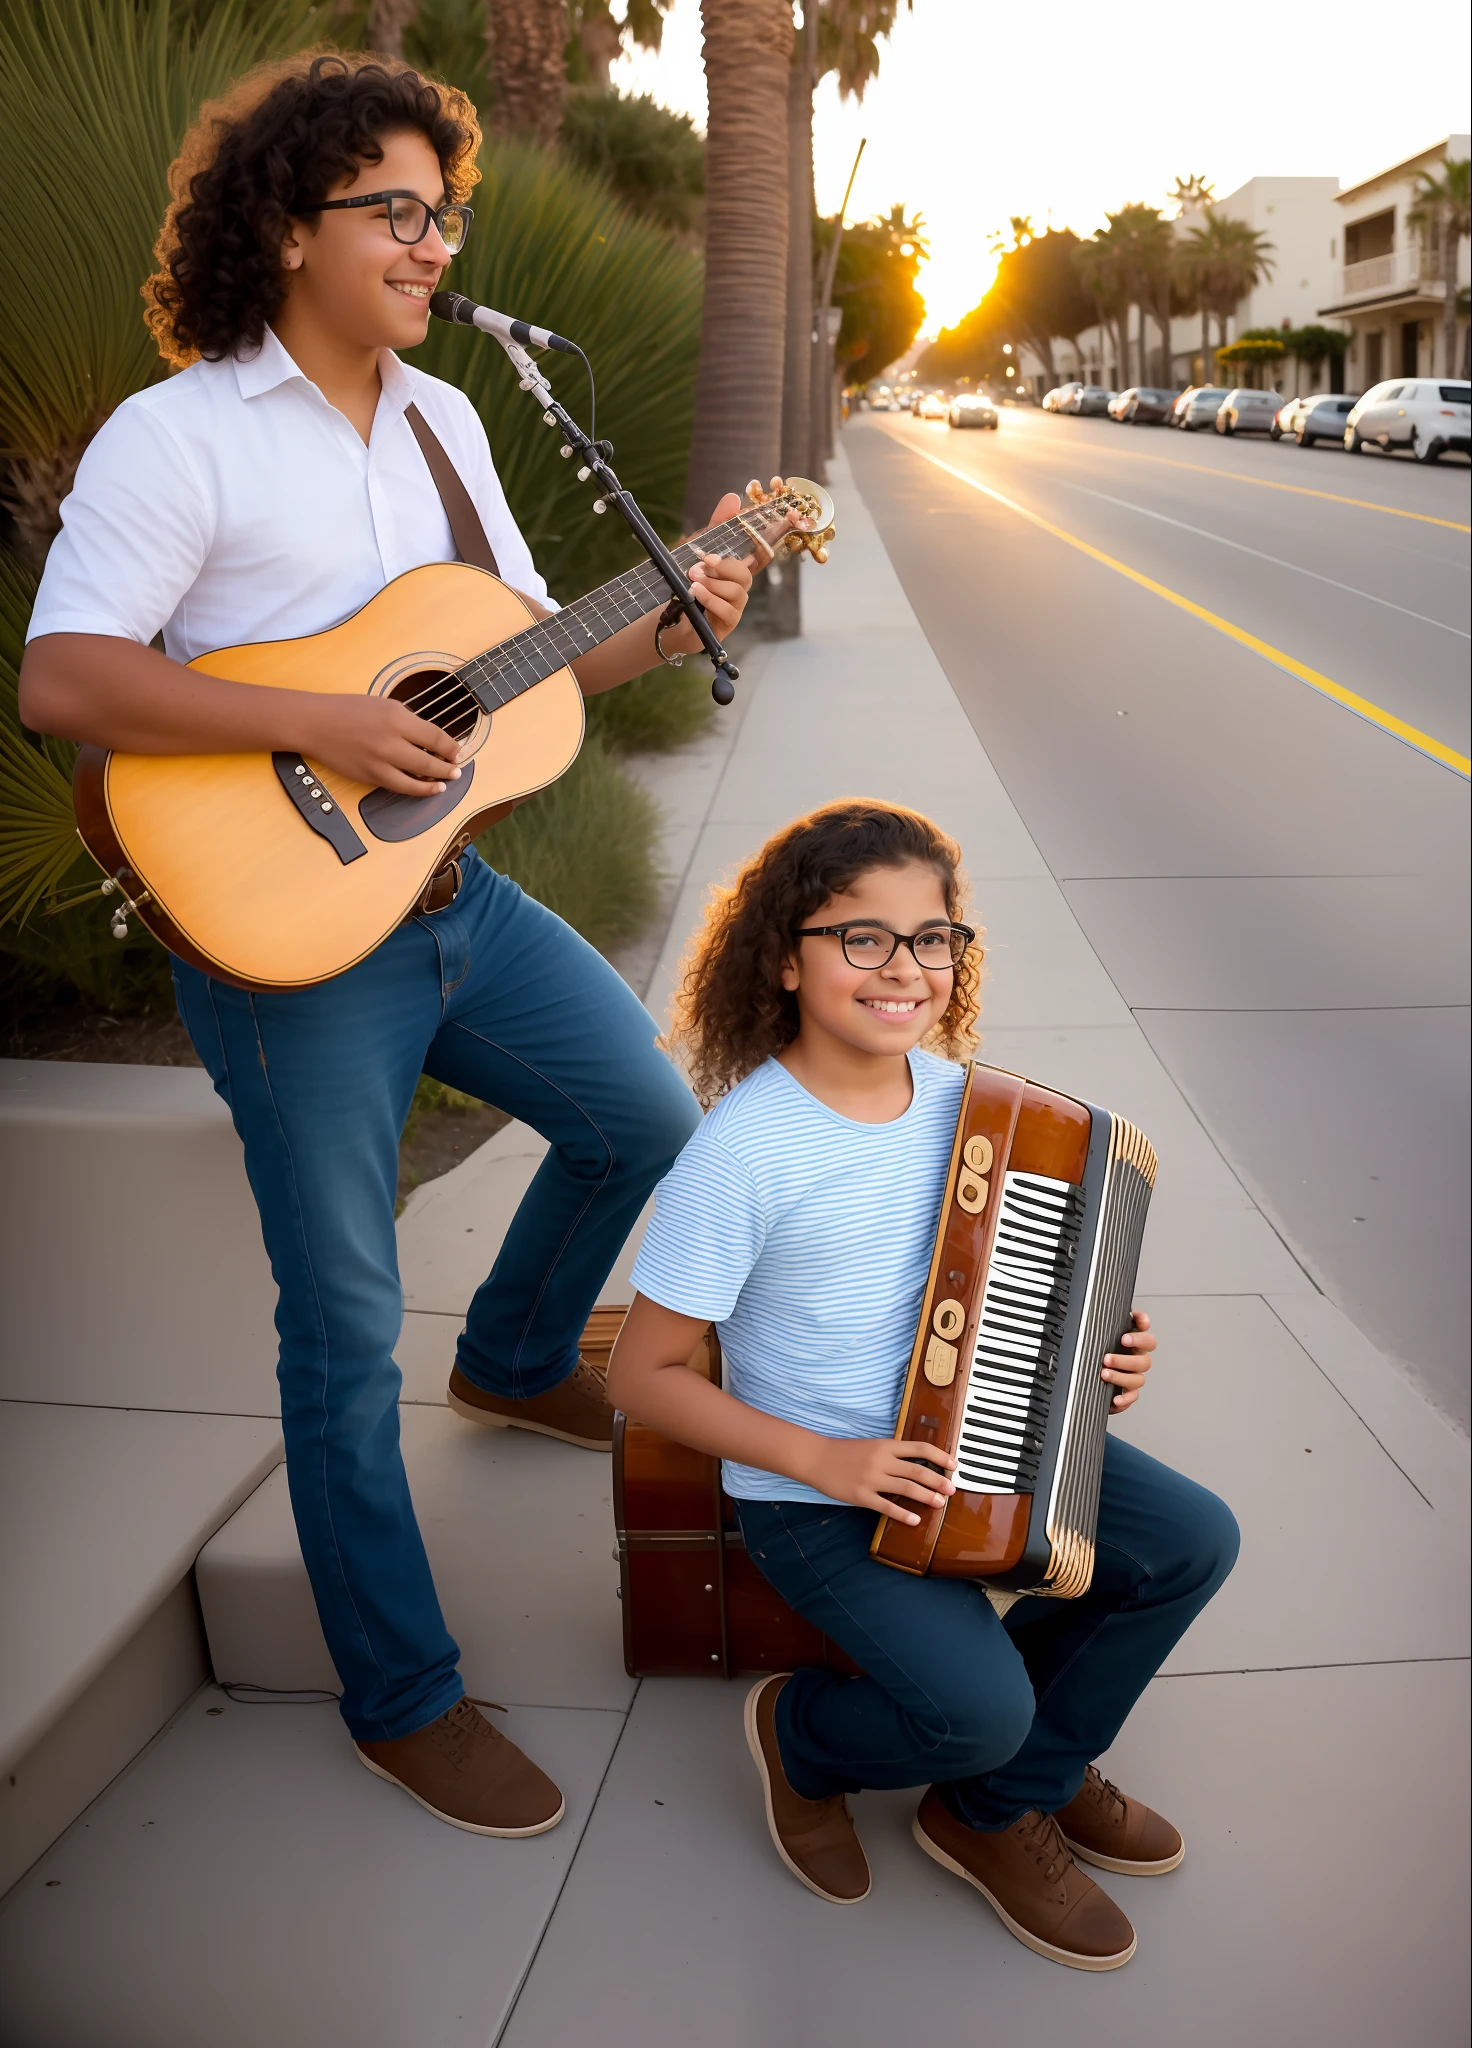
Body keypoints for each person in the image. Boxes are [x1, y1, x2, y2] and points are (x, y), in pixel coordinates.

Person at [19, 51, 771, 1839]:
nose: (435, 243)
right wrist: (325, 725)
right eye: (398, 210)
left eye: (447, 212)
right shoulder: (181, 431)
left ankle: (513, 1355)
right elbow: (62, 677)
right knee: (342, 1322)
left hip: (450, 900)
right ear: (290, 227)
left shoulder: (442, 422)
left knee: (650, 1124)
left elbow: (504, 664)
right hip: (284, 945)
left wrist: (666, 625)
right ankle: (398, 1690)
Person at [606, 800, 1239, 1970]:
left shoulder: (970, 1104)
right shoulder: (742, 1150)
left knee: (1189, 1540)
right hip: (820, 1493)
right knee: (972, 1708)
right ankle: (802, 1737)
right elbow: (640, 1374)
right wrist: (826, 1461)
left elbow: (1026, 1275)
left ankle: (1002, 1801)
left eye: (932, 937)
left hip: (984, 1438)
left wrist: (1109, 1344)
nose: (904, 968)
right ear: (786, 958)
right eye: (861, 937)